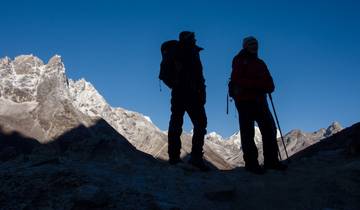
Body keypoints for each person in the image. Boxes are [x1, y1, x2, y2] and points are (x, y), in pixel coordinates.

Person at [230, 36, 287, 174]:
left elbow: (270, 84)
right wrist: (259, 86)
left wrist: (263, 87)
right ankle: (251, 164)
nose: (254, 46)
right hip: (244, 101)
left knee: (270, 130)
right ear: (245, 46)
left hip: (259, 101)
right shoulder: (239, 60)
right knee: (248, 132)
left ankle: (271, 161)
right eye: (250, 44)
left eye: (255, 44)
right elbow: (237, 79)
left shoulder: (260, 63)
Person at [167, 31, 209, 171]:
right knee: (199, 123)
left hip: (182, 93)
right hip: (189, 94)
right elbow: (198, 75)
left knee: (177, 122)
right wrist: (201, 92)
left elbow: (198, 75)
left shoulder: (185, 52)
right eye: (193, 38)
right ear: (188, 39)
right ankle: (195, 158)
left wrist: (201, 91)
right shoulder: (184, 52)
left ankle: (174, 157)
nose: (195, 40)